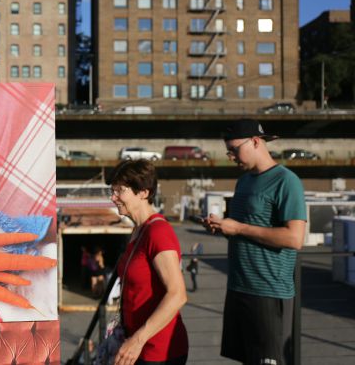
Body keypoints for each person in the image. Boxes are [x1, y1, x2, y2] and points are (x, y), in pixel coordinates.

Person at [202, 119, 306, 365]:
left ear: (256, 142)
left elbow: (294, 238)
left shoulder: (287, 181)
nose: (231, 156)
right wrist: (223, 227)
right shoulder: (244, 181)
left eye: (234, 149)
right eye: (228, 151)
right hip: (239, 288)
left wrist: (238, 227)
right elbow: (245, 230)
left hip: (269, 293)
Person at [109, 159, 188, 365]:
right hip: (136, 347)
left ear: (143, 192)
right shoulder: (138, 230)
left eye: (120, 191)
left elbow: (178, 295)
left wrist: (137, 340)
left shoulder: (158, 232)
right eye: (113, 191)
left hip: (158, 352)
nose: (113, 197)